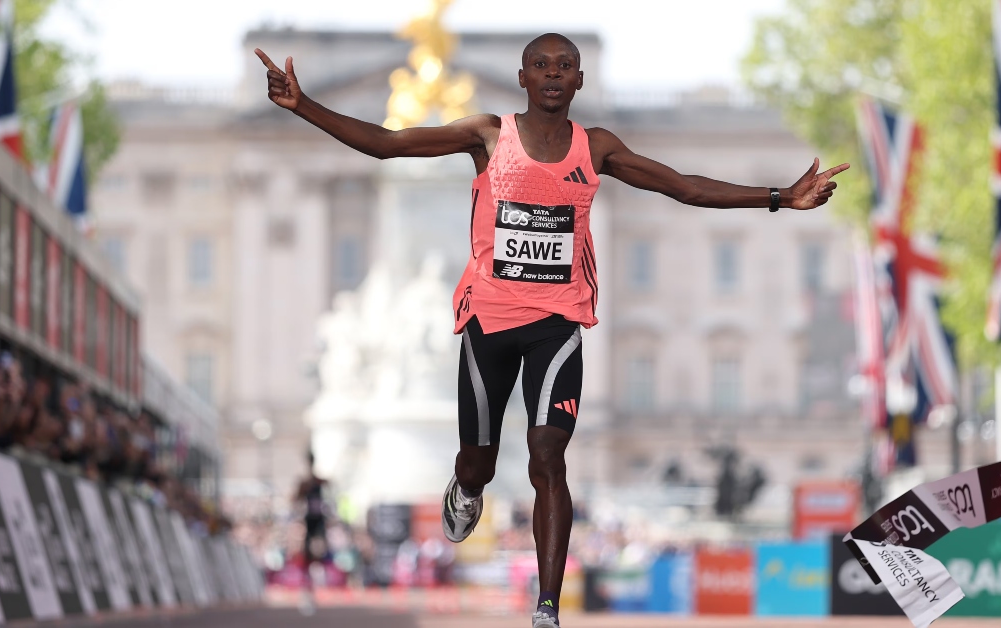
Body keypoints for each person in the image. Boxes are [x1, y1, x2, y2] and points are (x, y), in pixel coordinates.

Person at [256, 33, 847, 628]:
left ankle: (547, 607)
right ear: (523, 78)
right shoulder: (488, 135)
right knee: (478, 464)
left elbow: (683, 186)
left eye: (565, 65)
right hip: (489, 324)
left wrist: (780, 197)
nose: (553, 74)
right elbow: (387, 145)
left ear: (579, 80)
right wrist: (303, 106)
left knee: (548, 459)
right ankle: (466, 489)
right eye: (541, 65)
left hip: (557, 326)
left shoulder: (597, 147)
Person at [294, 452, 331, 616]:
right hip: (310, 522)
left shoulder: (318, 481)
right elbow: (295, 499)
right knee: (309, 555)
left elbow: (330, 488)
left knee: (318, 553)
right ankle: (308, 590)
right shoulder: (306, 483)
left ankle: (315, 585)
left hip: (319, 523)